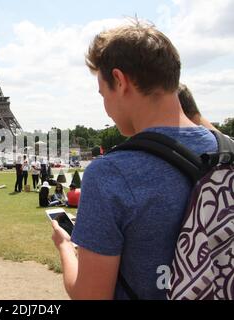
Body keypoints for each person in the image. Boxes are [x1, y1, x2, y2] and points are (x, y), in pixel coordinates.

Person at [51, 22, 218, 300]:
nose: (106, 108)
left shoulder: (110, 173)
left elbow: (91, 297)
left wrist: (65, 247)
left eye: (103, 94)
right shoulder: (227, 150)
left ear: (120, 80)